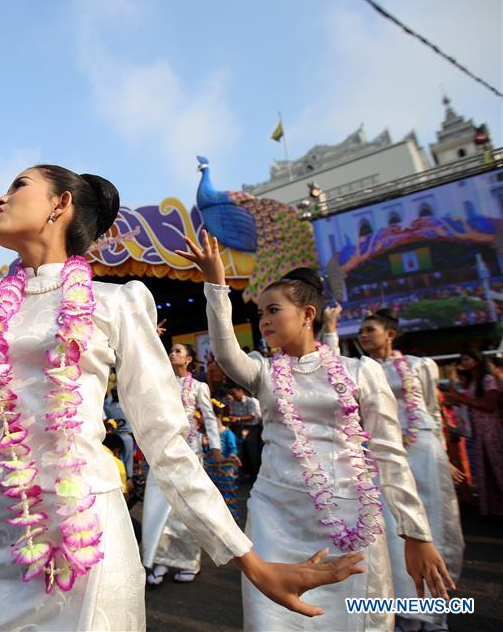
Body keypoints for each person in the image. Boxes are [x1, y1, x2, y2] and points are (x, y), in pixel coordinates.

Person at [0, 17, 366, 630]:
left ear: (60, 205)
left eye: (17, 185)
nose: (0, 197)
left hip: (86, 540)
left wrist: (249, 560)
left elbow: (164, 439)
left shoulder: (118, 303)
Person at [178, 231, 453, 631]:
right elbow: (225, 352)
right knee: (274, 620)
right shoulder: (264, 372)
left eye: (273, 310)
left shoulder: (361, 372)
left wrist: (416, 533)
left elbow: (390, 455)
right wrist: (216, 284)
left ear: (308, 314)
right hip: (276, 515)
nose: (264, 320)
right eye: (261, 313)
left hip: (351, 514)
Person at [333, 308, 465, 632]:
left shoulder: (421, 366)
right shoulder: (359, 369)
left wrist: (443, 456)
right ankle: (405, 613)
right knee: (392, 530)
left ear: (390, 334)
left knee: (433, 526)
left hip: (424, 451)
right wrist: (332, 327)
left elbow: (432, 411)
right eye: (361, 331)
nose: (363, 336)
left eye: (370, 329)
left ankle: (434, 613)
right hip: (383, 453)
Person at [142, 343, 222, 585]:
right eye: (171, 350)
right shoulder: (161, 383)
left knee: (187, 508)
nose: (172, 353)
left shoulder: (199, 387)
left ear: (188, 359)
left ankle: (188, 562)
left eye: (178, 351)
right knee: (158, 507)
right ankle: (160, 560)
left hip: (190, 453)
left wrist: (216, 448)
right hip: (162, 451)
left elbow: (209, 418)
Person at [448, 348, 502, 517]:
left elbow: (490, 406)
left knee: (497, 465)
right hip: (478, 429)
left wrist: (464, 401)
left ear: (476, 360)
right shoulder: (474, 381)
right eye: (462, 360)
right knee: (484, 468)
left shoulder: (487, 379)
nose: (463, 363)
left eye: (466, 359)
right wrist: (452, 378)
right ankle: (495, 509)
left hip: (489, 428)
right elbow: (457, 396)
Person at [225, 380, 263, 481]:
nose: (233, 395)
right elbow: (232, 415)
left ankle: (255, 475)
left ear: (240, 391)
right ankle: (242, 475)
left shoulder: (251, 401)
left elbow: (252, 416)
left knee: (252, 451)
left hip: (252, 428)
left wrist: (238, 418)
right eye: (231, 393)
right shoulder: (233, 403)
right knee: (239, 451)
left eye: (234, 393)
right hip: (239, 427)